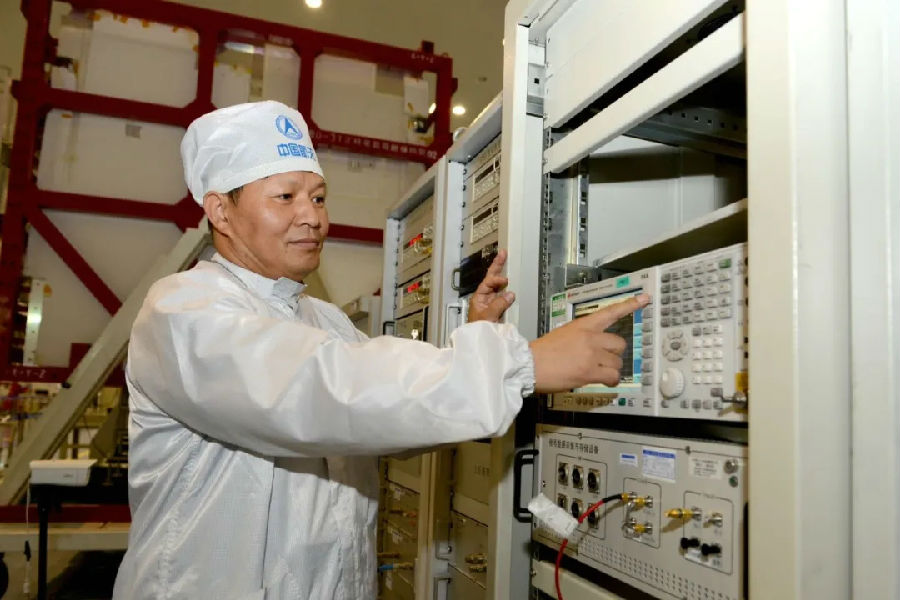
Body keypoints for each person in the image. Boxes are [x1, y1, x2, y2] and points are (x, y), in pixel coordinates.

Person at [112, 101, 648, 599]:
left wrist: (479, 337)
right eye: (285, 197)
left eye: (318, 197)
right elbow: (322, 390)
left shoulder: (322, 319)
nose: (312, 217)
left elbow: (387, 416)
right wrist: (520, 364)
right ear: (221, 212)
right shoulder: (182, 312)